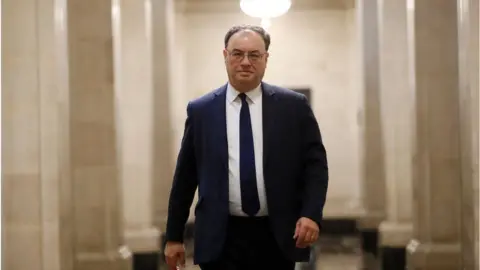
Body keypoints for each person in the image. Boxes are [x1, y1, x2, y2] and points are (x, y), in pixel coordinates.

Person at [164, 24, 329, 270]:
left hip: (276, 235)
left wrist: (311, 214)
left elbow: (315, 166)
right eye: (237, 54)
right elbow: (185, 177)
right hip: (220, 237)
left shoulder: (293, 107)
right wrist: (174, 236)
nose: (245, 62)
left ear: (266, 59)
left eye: (254, 55)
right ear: (225, 56)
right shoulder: (201, 111)